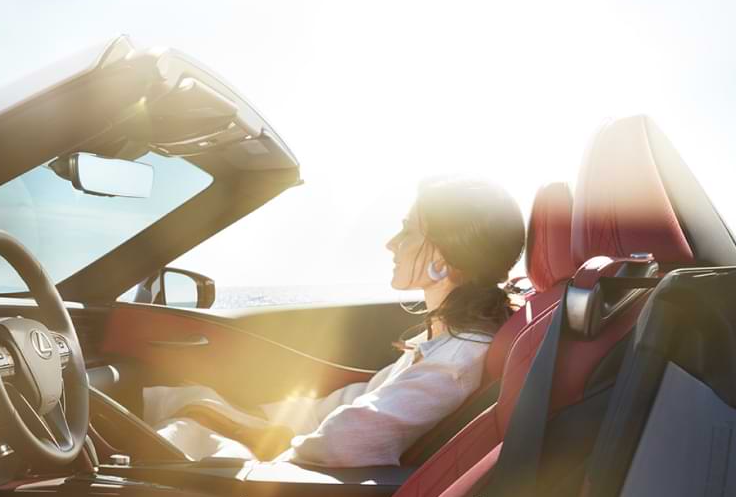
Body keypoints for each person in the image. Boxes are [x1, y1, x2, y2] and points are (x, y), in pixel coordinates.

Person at [143, 176, 526, 467]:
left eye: (408, 230)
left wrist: (257, 439)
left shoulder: (457, 357)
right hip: (299, 462)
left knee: (179, 432)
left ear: (442, 257)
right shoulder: (449, 342)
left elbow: (350, 439)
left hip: (302, 490)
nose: (391, 243)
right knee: (191, 405)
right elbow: (356, 401)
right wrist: (258, 420)